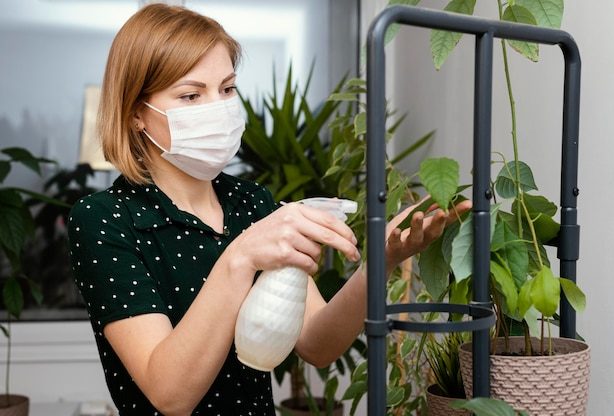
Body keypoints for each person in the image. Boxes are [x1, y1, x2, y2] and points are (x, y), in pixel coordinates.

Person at [68, 3, 470, 416]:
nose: (217, 108)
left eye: (226, 89)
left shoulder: (252, 203)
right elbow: (170, 395)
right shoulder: (104, 218)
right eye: (191, 95)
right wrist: (241, 256)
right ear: (137, 113)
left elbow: (317, 343)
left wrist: (379, 262)